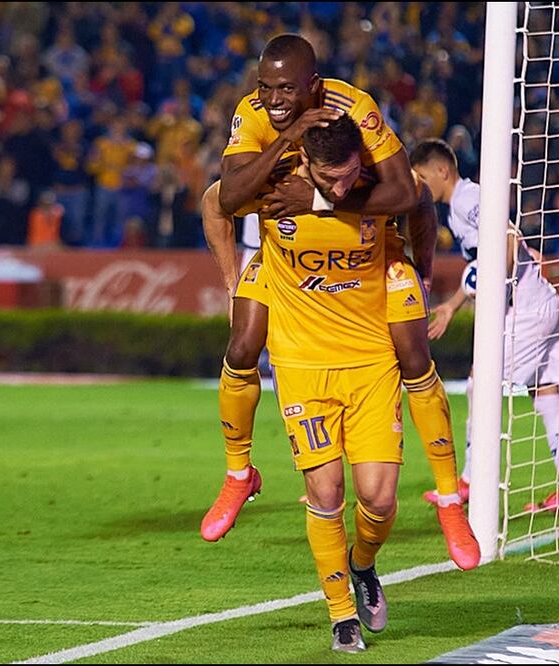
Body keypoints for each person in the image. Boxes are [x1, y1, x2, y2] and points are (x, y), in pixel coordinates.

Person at [202, 34, 477, 566]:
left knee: (415, 354)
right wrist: (287, 142)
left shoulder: (356, 109)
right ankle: (240, 473)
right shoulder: (256, 114)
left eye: (286, 89)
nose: (274, 100)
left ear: (313, 85)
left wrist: (321, 198)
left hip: (372, 251)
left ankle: (449, 499)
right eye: (265, 88)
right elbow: (227, 198)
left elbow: (408, 195)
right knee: (241, 346)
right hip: (289, 255)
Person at [248, 115, 405, 652]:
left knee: (379, 499)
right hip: (301, 366)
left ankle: (362, 565)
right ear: (307, 163)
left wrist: (422, 269)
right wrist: (232, 277)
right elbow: (216, 202)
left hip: (370, 363)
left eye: (347, 175)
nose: (340, 186)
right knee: (326, 490)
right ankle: (341, 615)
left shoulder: (377, 193)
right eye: (327, 177)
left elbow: (418, 201)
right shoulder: (275, 192)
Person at [411, 139, 559, 514]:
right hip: (540, 302)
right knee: (547, 395)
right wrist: (452, 306)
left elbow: (507, 237)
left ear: (442, 171)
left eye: (421, 178)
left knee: (480, 383)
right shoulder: (456, 208)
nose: (419, 187)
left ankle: (471, 482)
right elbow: (480, 265)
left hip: (523, 309)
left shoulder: (467, 199)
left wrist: (500, 286)